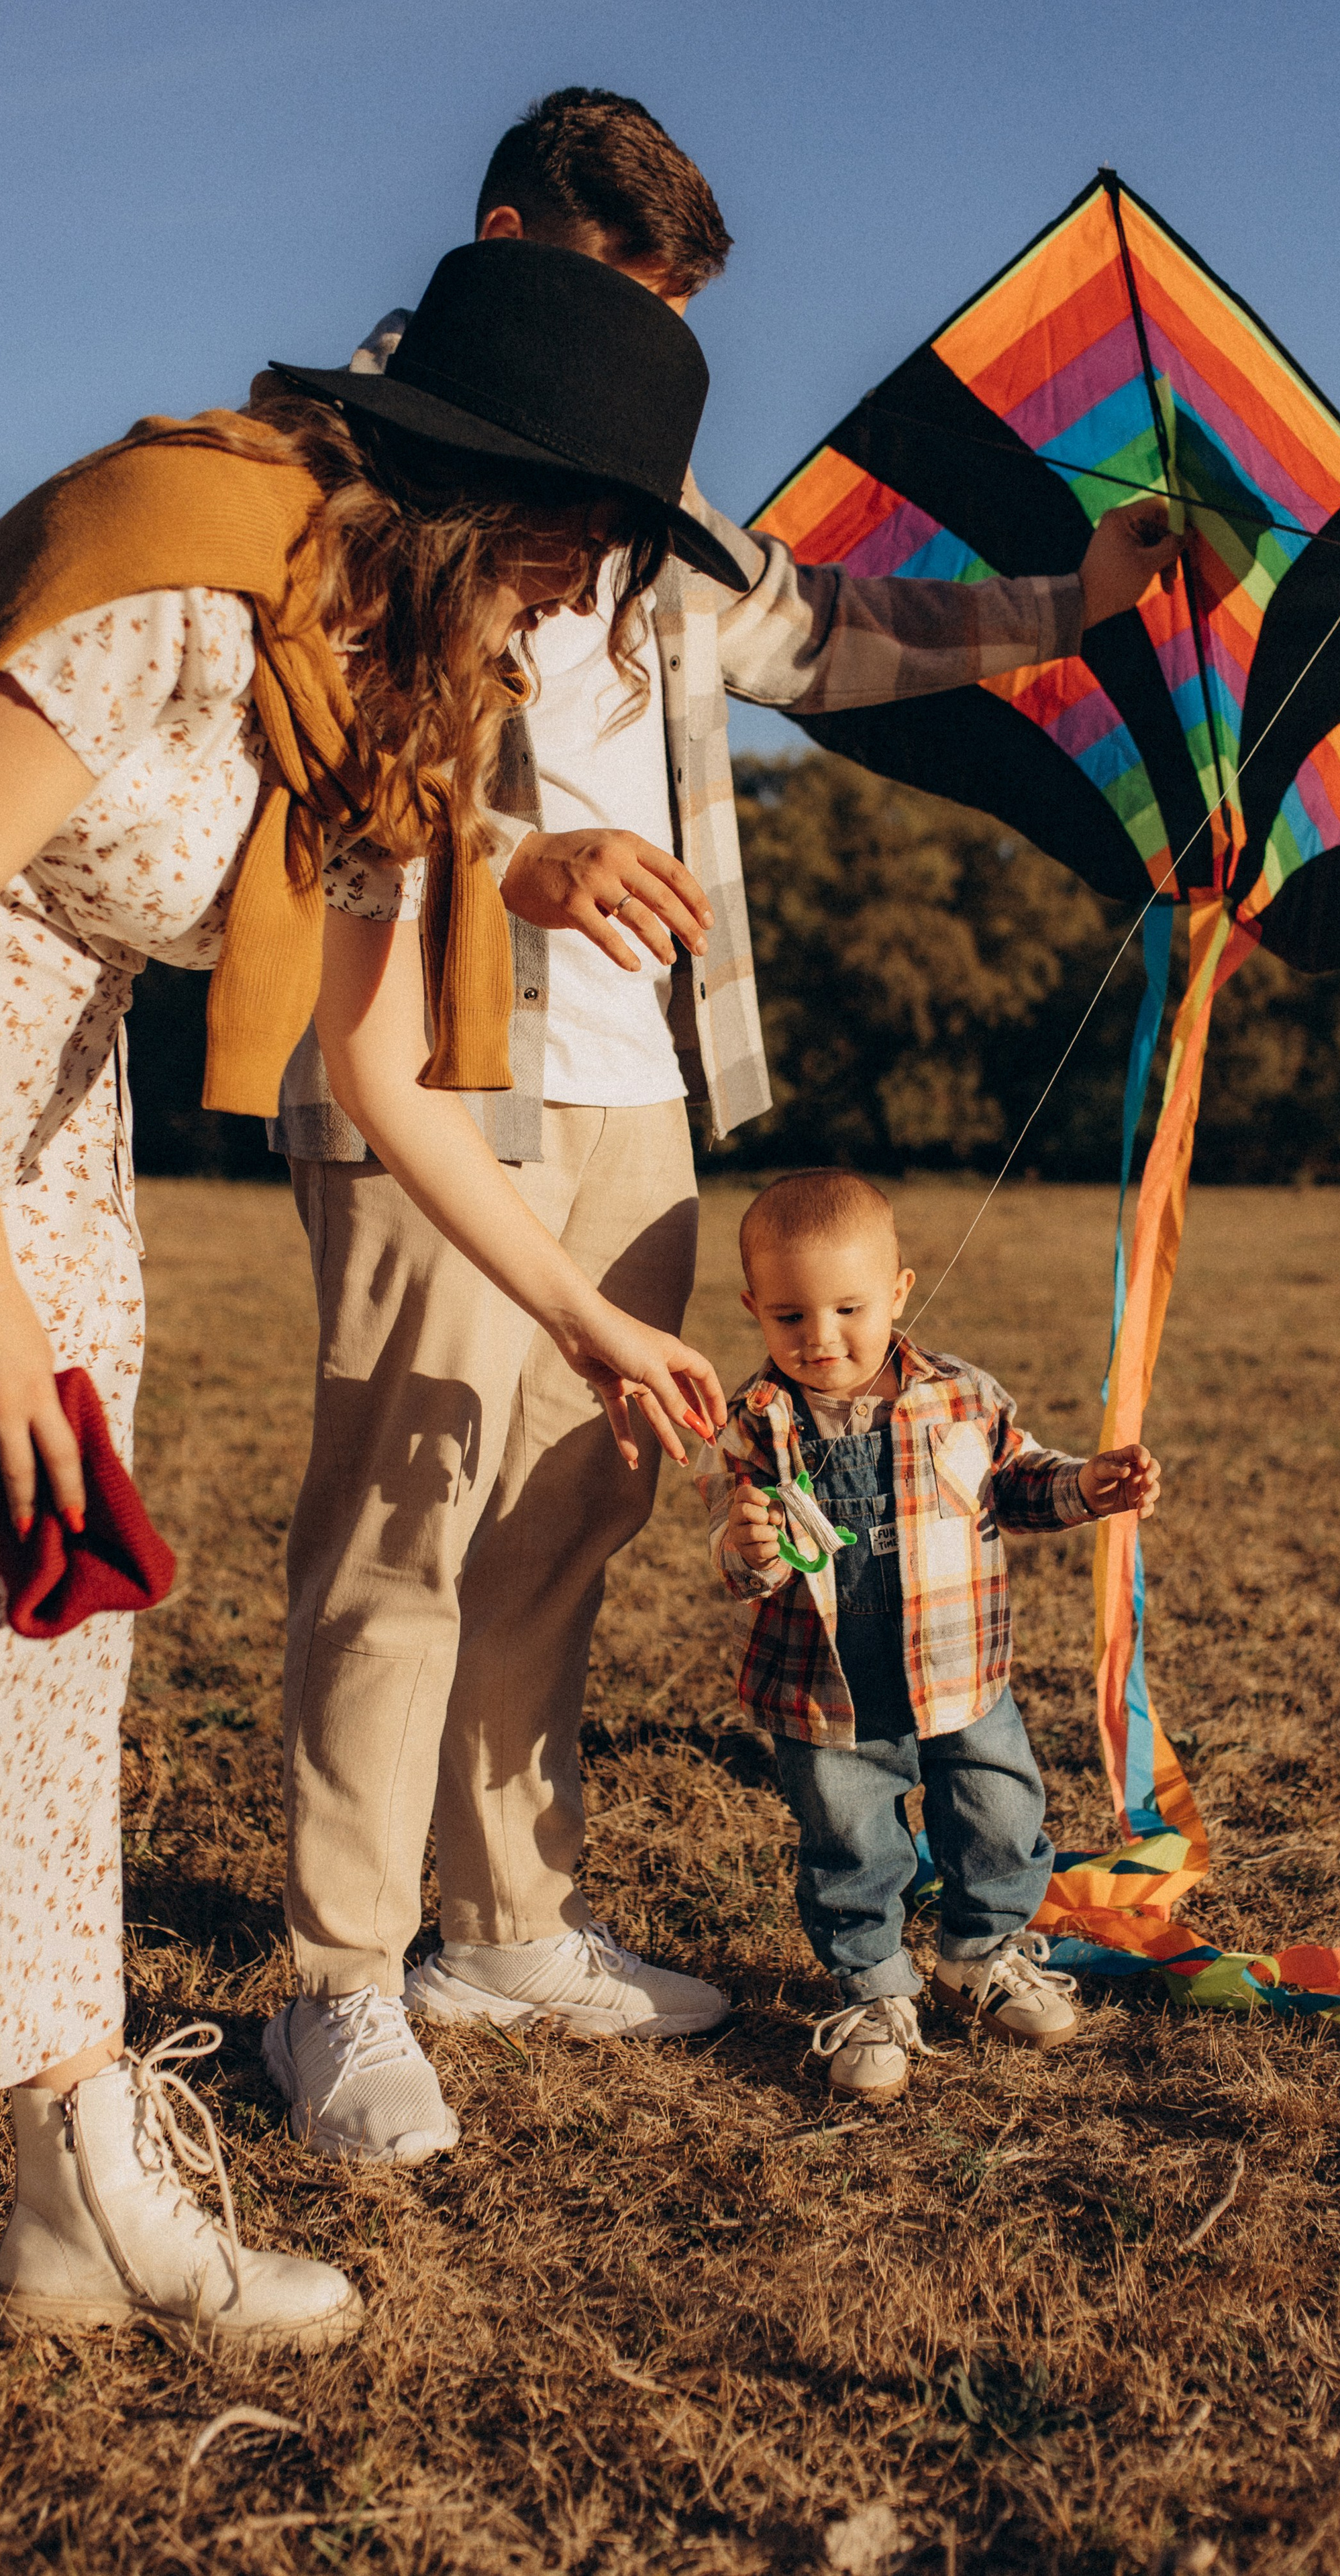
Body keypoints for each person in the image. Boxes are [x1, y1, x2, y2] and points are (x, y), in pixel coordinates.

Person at [265, 86, 1186, 2162]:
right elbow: (312, 765)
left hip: (639, 1094)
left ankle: (503, 1927)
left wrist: (1068, 600)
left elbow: (844, 632)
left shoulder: (659, 523)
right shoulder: (360, 485)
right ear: (510, 239)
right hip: (428, 1069)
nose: (657, 358)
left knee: (571, 1519)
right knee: (406, 1525)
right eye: (630, 293)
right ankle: (333, 1982)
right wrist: (517, 849)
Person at [0, 239, 731, 2343]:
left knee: (50, 1683)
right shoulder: (173, 568)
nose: (589, 594)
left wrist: (589, 1319)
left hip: (54, 1161)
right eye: (586, 535)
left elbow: (378, 1059)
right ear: (483, 487)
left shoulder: (378, 671)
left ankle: (70, 2194)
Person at [697, 1172, 1162, 2104]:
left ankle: (981, 1954)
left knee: (997, 1812)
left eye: (847, 1309)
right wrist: (745, 1550)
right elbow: (740, 1548)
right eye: (788, 1317)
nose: (818, 1339)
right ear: (752, 1307)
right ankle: (871, 1989)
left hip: (961, 1673)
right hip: (826, 1694)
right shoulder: (754, 1426)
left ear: (900, 1292)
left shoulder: (960, 1396)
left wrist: (1087, 1487)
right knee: (849, 1840)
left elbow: (1017, 1481)